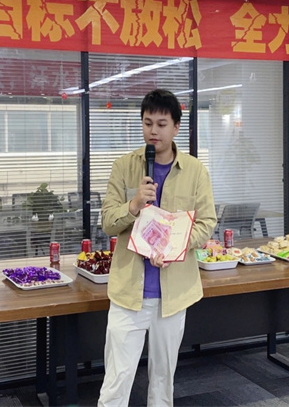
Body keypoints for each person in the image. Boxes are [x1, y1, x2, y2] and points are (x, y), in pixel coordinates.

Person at [98, 89, 217, 407]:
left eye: (161, 124)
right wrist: (134, 204)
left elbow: (206, 222)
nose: (153, 131)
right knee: (116, 380)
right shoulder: (124, 166)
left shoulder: (195, 171)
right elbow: (108, 222)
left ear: (176, 127)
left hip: (174, 294)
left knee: (163, 380)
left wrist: (174, 248)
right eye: (147, 123)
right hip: (129, 292)